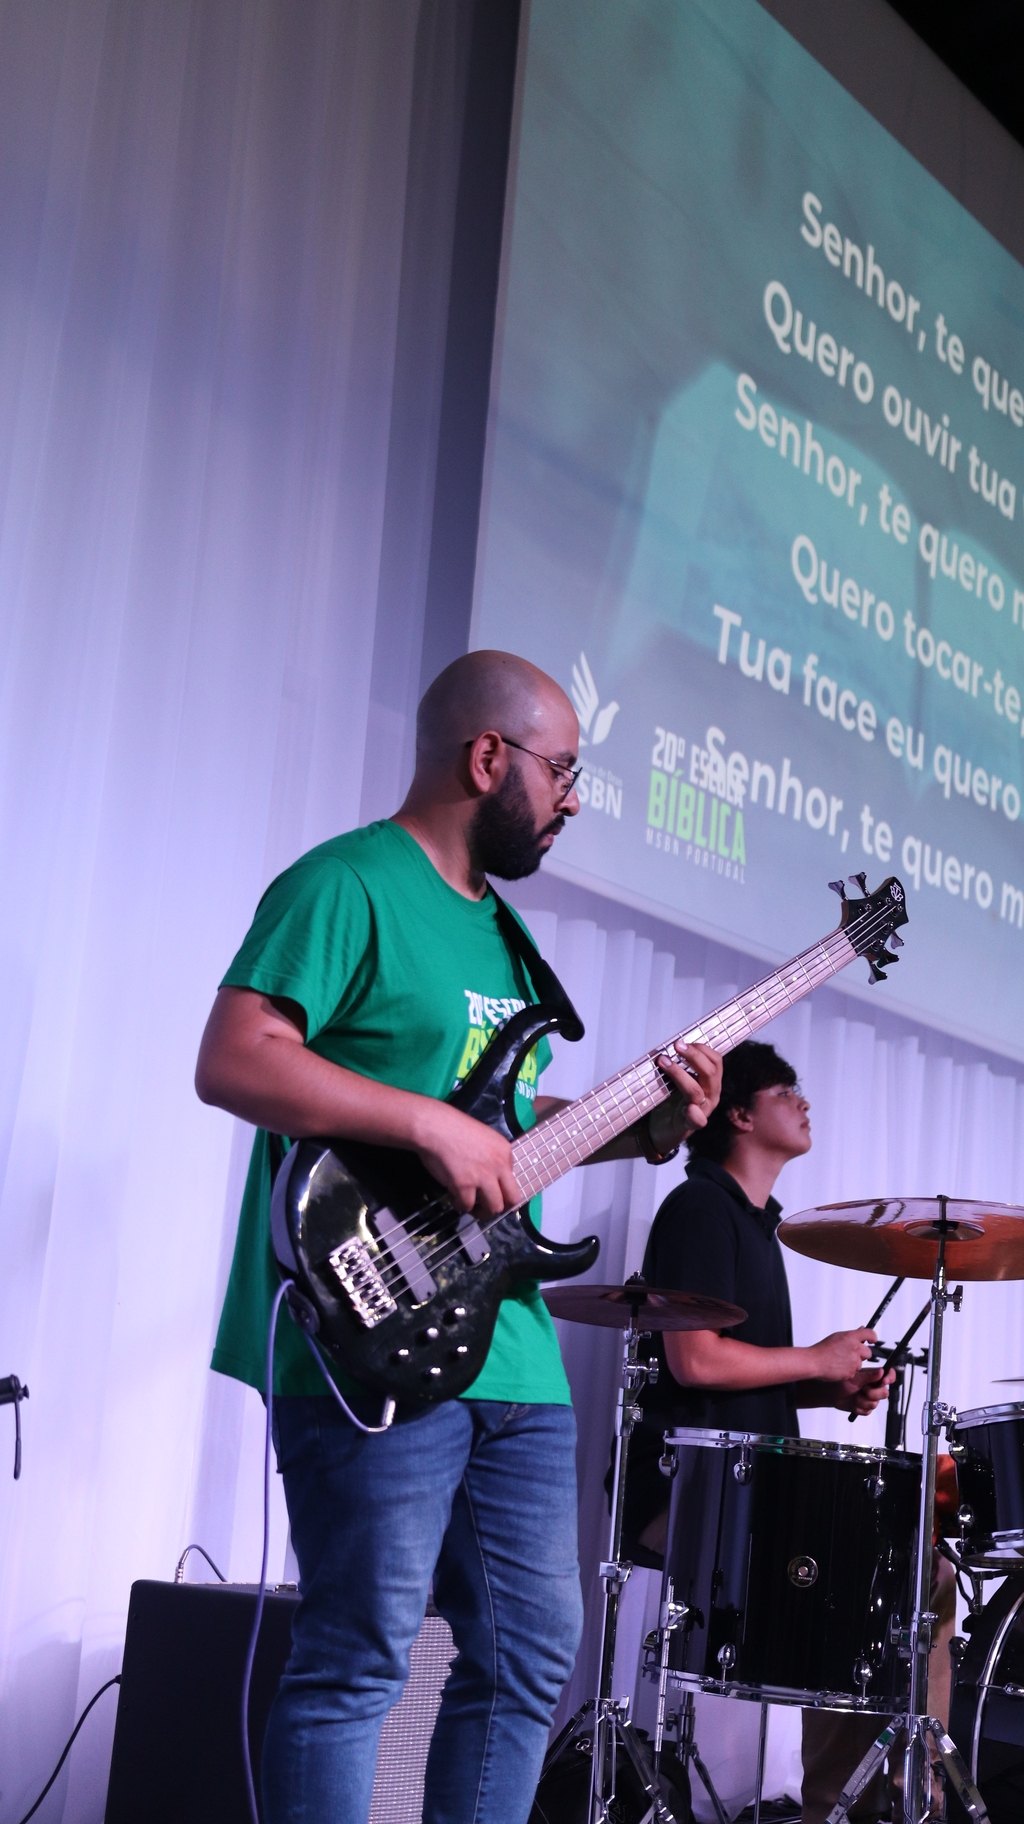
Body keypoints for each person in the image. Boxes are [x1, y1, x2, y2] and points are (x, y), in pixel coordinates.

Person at [194, 649, 723, 1824]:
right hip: (368, 1322)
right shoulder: (348, 882)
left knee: (529, 1655)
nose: (573, 798)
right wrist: (425, 1122)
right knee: (359, 1657)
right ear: (487, 758)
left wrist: (637, 1131)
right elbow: (233, 1059)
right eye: (563, 770)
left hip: (510, 1345)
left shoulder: (506, 939)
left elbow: (503, 1134)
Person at [625, 1039, 954, 1824]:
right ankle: (851, 1804)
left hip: (745, 1490)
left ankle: (901, 1790)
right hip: (689, 1497)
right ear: (739, 1113)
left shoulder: (752, 1224)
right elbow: (695, 1362)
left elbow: (737, 1378)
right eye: (786, 1091)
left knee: (920, 1570)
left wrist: (823, 1386)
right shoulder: (701, 1209)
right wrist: (813, 1357)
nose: (804, 1103)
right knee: (890, 1576)